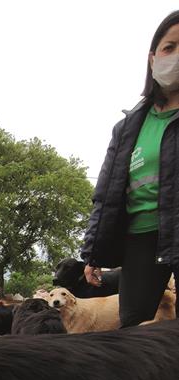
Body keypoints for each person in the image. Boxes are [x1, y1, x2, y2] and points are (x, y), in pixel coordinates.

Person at [81, 11, 179, 326]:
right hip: (141, 240)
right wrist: (93, 252)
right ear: (152, 58)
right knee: (132, 329)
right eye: (169, 47)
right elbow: (106, 194)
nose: (176, 56)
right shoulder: (127, 127)